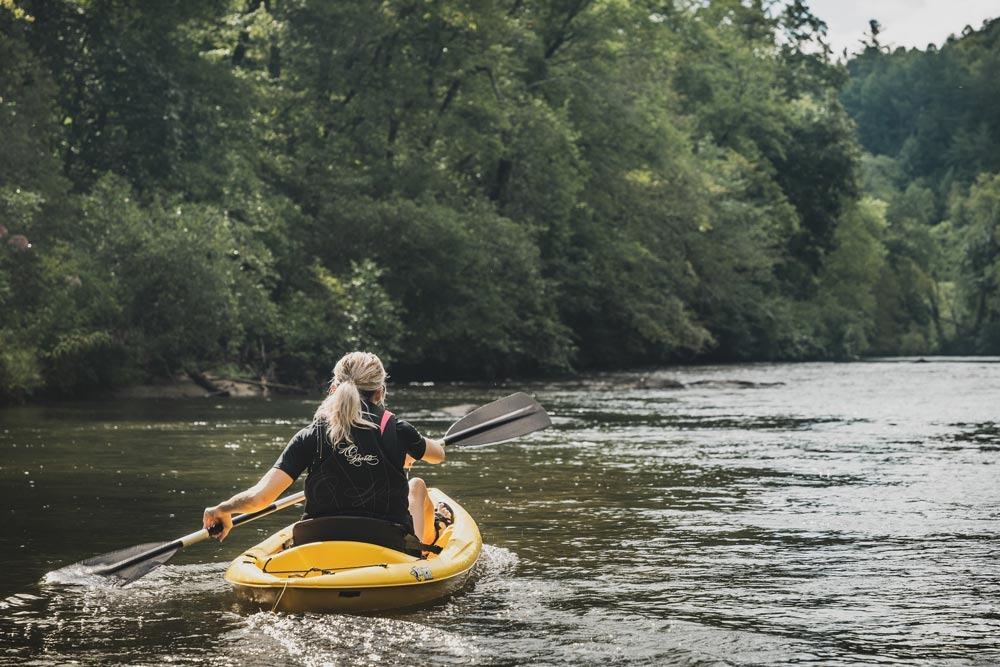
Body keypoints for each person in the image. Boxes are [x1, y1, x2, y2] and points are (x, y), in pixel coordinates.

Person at [202, 351, 449, 548]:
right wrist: (405, 448)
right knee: (416, 486)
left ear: (334, 389)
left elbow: (261, 498)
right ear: (380, 391)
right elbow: (438, 455)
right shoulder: (398, 430)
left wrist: (222, 508)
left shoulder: (310, 435)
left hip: (318, 542)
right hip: (387, 542)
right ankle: (421, 554)